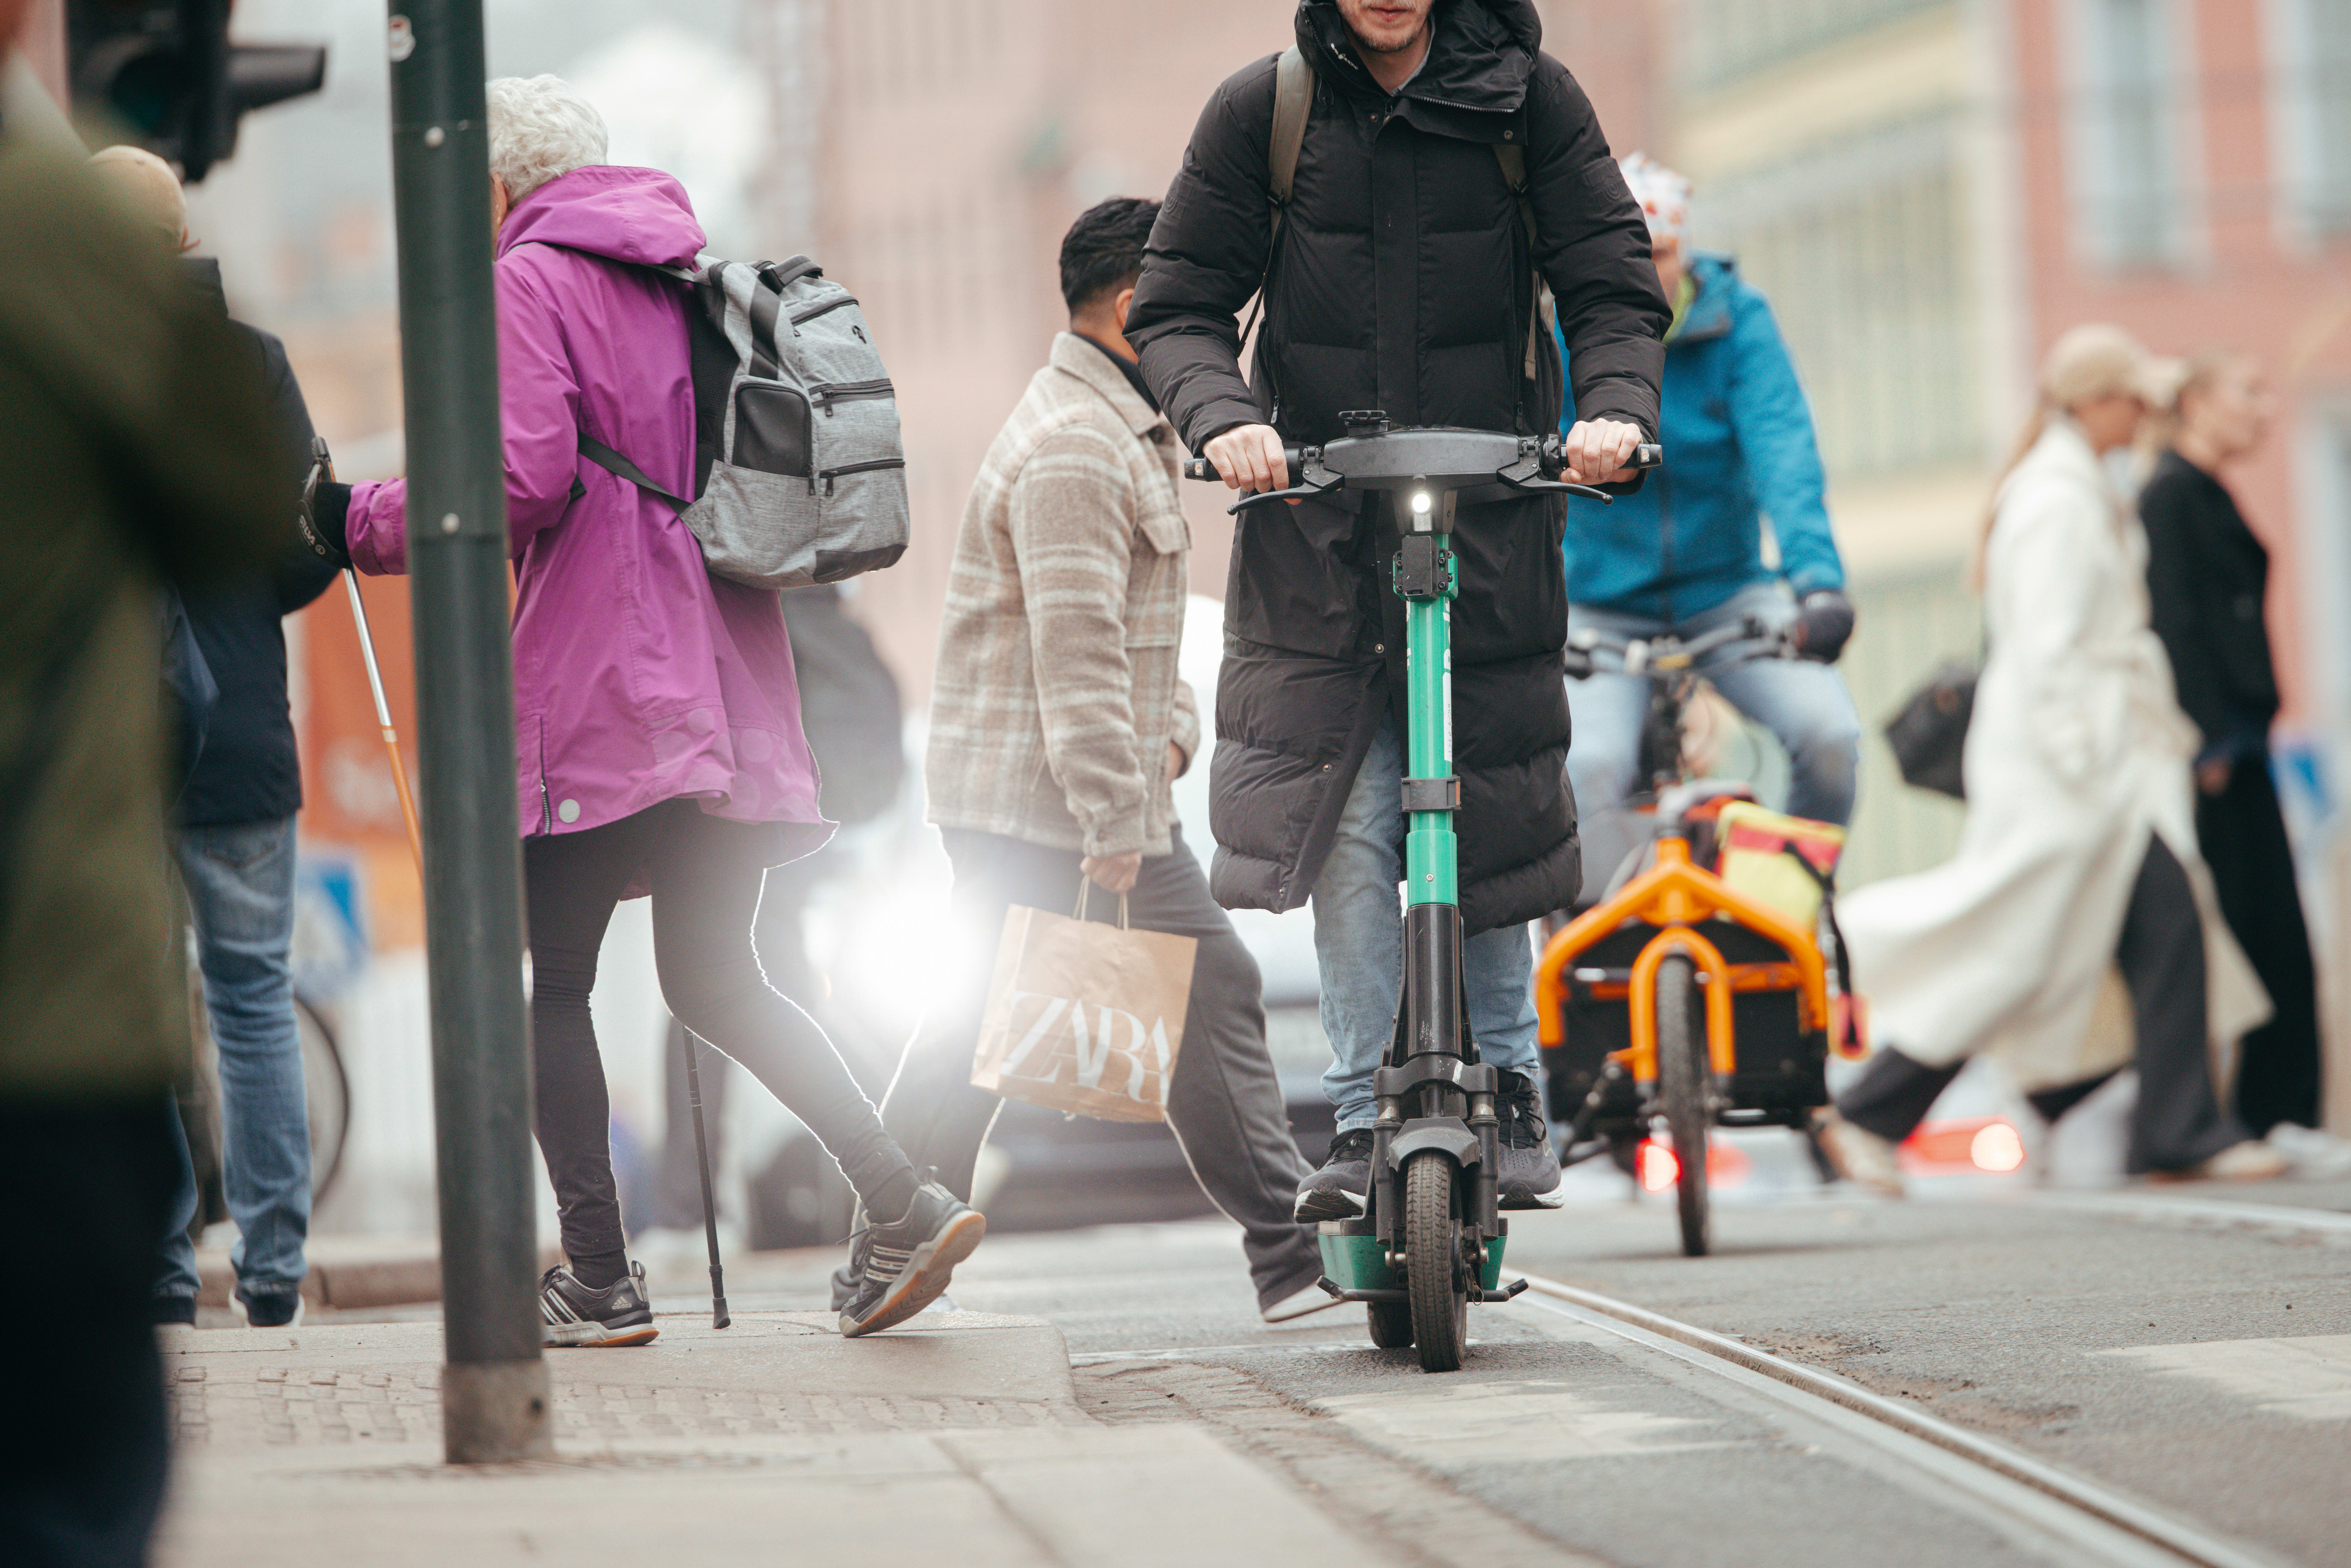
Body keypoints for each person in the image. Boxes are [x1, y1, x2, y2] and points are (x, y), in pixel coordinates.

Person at [296, 74, 979, 1342]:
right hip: (724, 680)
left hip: (605, 682)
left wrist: (355, 518)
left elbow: (515, 479)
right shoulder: (687, 277)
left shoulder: (522, 282)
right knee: (725, 977)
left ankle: (600, 1274)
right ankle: (900, 1190)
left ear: (492, 184)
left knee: (551, 983)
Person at [1126, 0, 1669, 1218]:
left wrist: (1617, 410)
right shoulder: (1267, 110)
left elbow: (1612, 289)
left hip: (1490, 519)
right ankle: (1367, 1116)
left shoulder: (1533, 100)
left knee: (1488, 795)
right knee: (1356, 821)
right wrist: (1225, 418)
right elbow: (1176, 305)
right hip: (1315, 535)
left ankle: (1513, 1082)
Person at [833, 197, 1335, 1326]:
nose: (1219, 338)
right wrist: (1118, 814)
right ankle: (1285, 1256)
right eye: (1199, 311)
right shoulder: (1077, 445)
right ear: (1129, 311)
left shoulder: (1118, 428)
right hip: (1047, 802)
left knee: (986, 1028)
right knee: (1161, 995)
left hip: (1039, 796)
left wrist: (1172, 731)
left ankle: (887, 1241)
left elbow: (1142, 628)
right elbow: (1077, 652)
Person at [0, 101, 292, 1568]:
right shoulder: (55, 230)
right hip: (47, 997)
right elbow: (247, 510)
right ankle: (259, 1264)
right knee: (66, 1484)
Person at [1816, 326, 2285, 1194]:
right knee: (2025, 948)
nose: (2146, 414)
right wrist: (2088, 759)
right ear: (2097, 401)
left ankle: (2174, 1124)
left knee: (2150, 931)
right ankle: (1876, 1108)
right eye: (2135, 398)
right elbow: (2047, 645)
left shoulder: (2073, 487)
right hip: (2074, 768)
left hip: (2093, 765)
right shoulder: (2058, 498)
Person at [88, 144, 339, 1333]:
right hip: (241, 731)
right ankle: (275, 1261)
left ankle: (159, 1265)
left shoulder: (60, 365)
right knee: (252, 995)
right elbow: (306, 544)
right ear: (185, 239)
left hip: (112, 750)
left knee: (135, 1005)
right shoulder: (254, 367)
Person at [1559, 154, 1861, 888]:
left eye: (1657, 254)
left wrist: (1817, 585)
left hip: (1726, 593)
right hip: (1595, 604)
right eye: (1622, 255)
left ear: (1685, 250)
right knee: (1586, 768)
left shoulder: (1740, 323)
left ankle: (1787, 905)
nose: (1641, 272)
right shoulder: (1558, 334)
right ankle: (1598, 952)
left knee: (1829, 736)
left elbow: (1784, 452)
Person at [2140, 354, 2333, 1154]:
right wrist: (2207, 736)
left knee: (2279, 935)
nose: (2263, 408)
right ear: (2195, 403)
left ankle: (2277, 1112)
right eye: (2247, 391)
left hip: (2246, 742)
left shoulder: (2207, 490)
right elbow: (2172, 615)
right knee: (2249, 936)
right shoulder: (2170, 494)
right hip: (2214, 750)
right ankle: (2258, 1116)